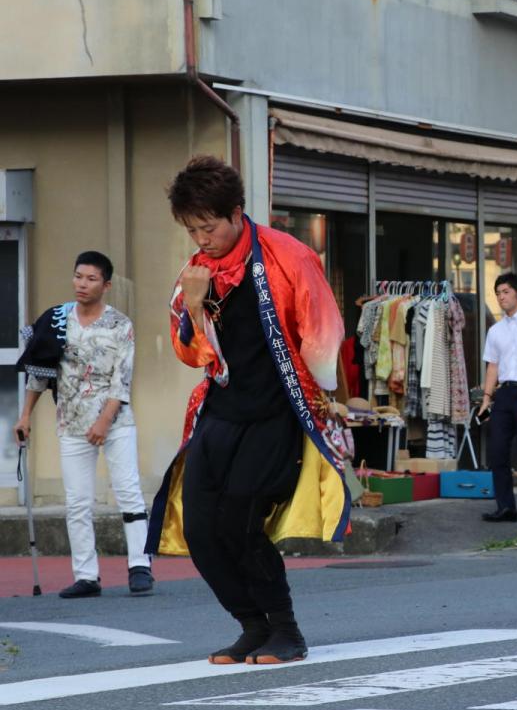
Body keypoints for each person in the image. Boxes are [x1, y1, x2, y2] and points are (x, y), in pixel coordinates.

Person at [146, 156, 351, 665]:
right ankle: (251, 625)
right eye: (192, 229)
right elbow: (190, 352)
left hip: (276, 410)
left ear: (236, 212)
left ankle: (286, 630)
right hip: (220, 410)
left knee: (241, 520)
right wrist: (193, 307)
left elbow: (322, 333)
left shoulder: (289, 255)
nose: (201, 238)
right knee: (199, 528)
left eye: (208, 226)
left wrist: (330, 398)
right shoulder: (196, 271)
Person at [13, 252, 153, 599]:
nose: (82, 284)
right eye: (78, 276)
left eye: (91, 279)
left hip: (115, 421)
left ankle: (140, 566)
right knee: (77, 501)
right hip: (71, 421)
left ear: (106, 285)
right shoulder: (57, 320)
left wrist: (104, 421)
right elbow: (40, 373)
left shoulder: (120, 325)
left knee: (127, 490)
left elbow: (122, 380)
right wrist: (26, 415)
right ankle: (86, 575)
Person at [479, 272, 517, 523]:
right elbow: (492, 366)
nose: (501, 297)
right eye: (498, 293)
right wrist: (486, 398)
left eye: (506, 292)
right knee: (497, 452)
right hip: (504, 393)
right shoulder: (496, 331)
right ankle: (506, 507)